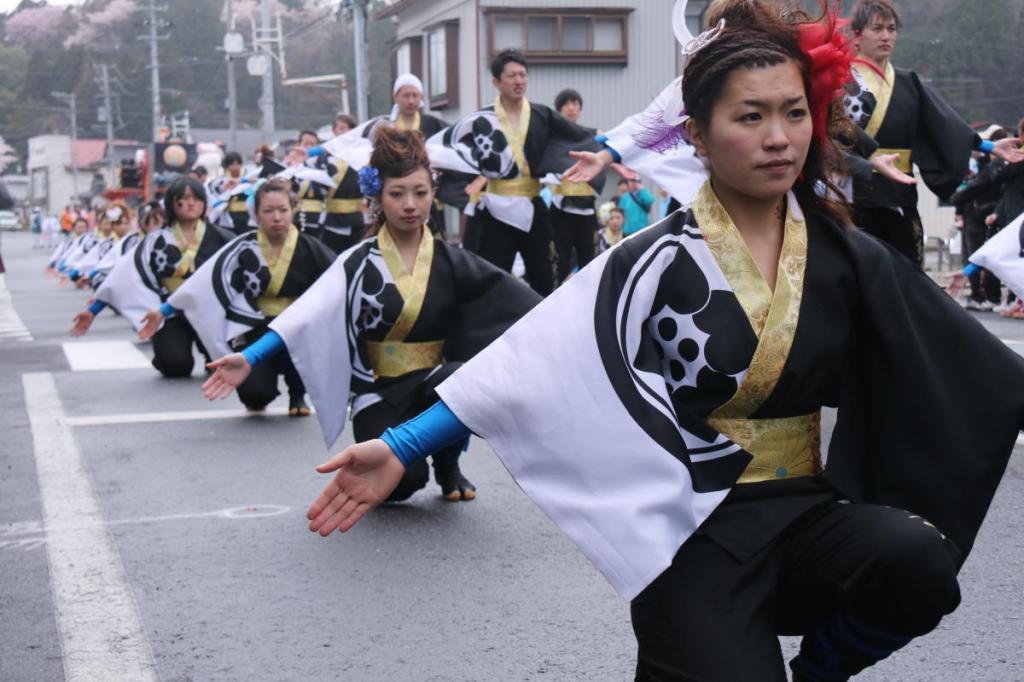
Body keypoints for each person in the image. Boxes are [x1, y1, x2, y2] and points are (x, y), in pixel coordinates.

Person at [302, 3, 1024, 680]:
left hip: (807, 512)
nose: (779, 137)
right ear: (699, 136)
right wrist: (402, 446)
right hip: (689, 529)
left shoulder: (844, 253)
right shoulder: (650, 258)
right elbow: (528, 361)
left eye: (794, 113)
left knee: (921, 562)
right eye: (751, 116)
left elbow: (966, 360)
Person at [202, 126, 539, 502]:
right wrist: (251, 356)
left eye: (420, 193)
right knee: (401, 485)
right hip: (376, 391)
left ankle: (448, 464)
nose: (410, 204)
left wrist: (577, 320)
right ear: (378, 197)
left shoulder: (452, 260)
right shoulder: (357, 262)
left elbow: (518, 303)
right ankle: (411, 462)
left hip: (433, 382)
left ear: (433, 195)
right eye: (397, 194)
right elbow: (305, 314)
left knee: (462, 380)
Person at [843, 0, 1024, 266]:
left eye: (892, 29)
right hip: (853, 187)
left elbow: (944, 125)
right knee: (858, 269)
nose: (886, 36)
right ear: (857, 35)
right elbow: (829, 134)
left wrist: (988, 147)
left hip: (899, 188)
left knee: (905, 270)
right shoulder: (841, 80)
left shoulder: (908, 82)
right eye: (877, 28)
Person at [140, 179, 336, 415]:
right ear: (256, 213)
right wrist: (164, 311)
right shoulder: (242, 248)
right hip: (254, 327)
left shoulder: (310, 247)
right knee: (255, 395)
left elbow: (340, 279)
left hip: (298, 327)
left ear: (293, 210)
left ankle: (297, 394)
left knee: (302, 348)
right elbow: (202, 283)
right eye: (268, 210)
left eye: (283, 210)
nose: (277, 217)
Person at [428, 49, 599, 296]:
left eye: (522, 75)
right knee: (491, 279)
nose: (519, 81)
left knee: (546, 278)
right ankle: (493, 331)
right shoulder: (482, 120)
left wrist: (612, 149)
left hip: (533, 203)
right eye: (511, 76)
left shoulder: (542, 115)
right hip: (496, 208)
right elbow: (449, 146)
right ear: (496, 81)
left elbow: (578, 137)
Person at [71, 177, 234, 377]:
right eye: (183, 198)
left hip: (210, 312)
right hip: (168, 313)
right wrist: (93, 310)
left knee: (221, 364)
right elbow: (122, 276)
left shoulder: (223, 238)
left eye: (196, 198)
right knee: (175, 365)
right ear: (172, 204)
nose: (191, 203)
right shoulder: (154, 241)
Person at [549, 88, 600, 283]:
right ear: (559, 110)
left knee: (590, 261)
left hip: (586, 208)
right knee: (558, 260)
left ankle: (591, 302)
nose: (572, 108)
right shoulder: (551, 138)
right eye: (567, 104)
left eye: (576, 104)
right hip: (560, 208)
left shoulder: (591, 137)